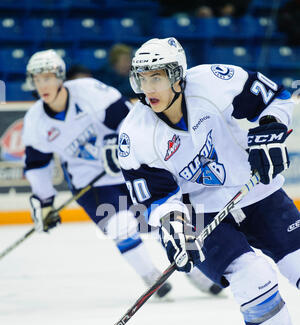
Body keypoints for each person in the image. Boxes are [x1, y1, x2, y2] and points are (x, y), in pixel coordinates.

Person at [117, 37, 300, 325]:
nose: (148, 87)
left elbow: (277, 98)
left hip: (256, 190)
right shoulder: (135, 135)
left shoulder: (214, 82)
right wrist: (173, 227)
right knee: (252, 276)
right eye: (142, 78)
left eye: (156, 77)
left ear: (177, 77)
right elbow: (156, 200)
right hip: (199, 213)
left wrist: (271, 129)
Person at [22, 49, 219, 300]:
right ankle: (151, 277)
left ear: (60, 77)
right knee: (119, 225)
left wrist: (116, 145)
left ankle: (198, 273)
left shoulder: (89, 91)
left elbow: (129, 118)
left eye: (48, 77)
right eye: (38, 79)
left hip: (126, 170)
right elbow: (37, 164)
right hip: (91, 184)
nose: (43, 85)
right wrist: (44, 201)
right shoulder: (36, 121)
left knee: (162, 215)